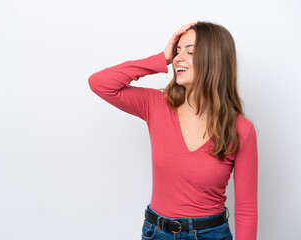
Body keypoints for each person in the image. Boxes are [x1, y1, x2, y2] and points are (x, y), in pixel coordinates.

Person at [88, 21, 258, 240]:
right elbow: (100, 83)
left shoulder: (241, 130)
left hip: (210, 235)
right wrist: (161, 58)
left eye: (190, 51)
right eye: (177, 51)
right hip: (157, 233)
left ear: (214, 60)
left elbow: (246, 210)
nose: (178, 58)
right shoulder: (156, 106)